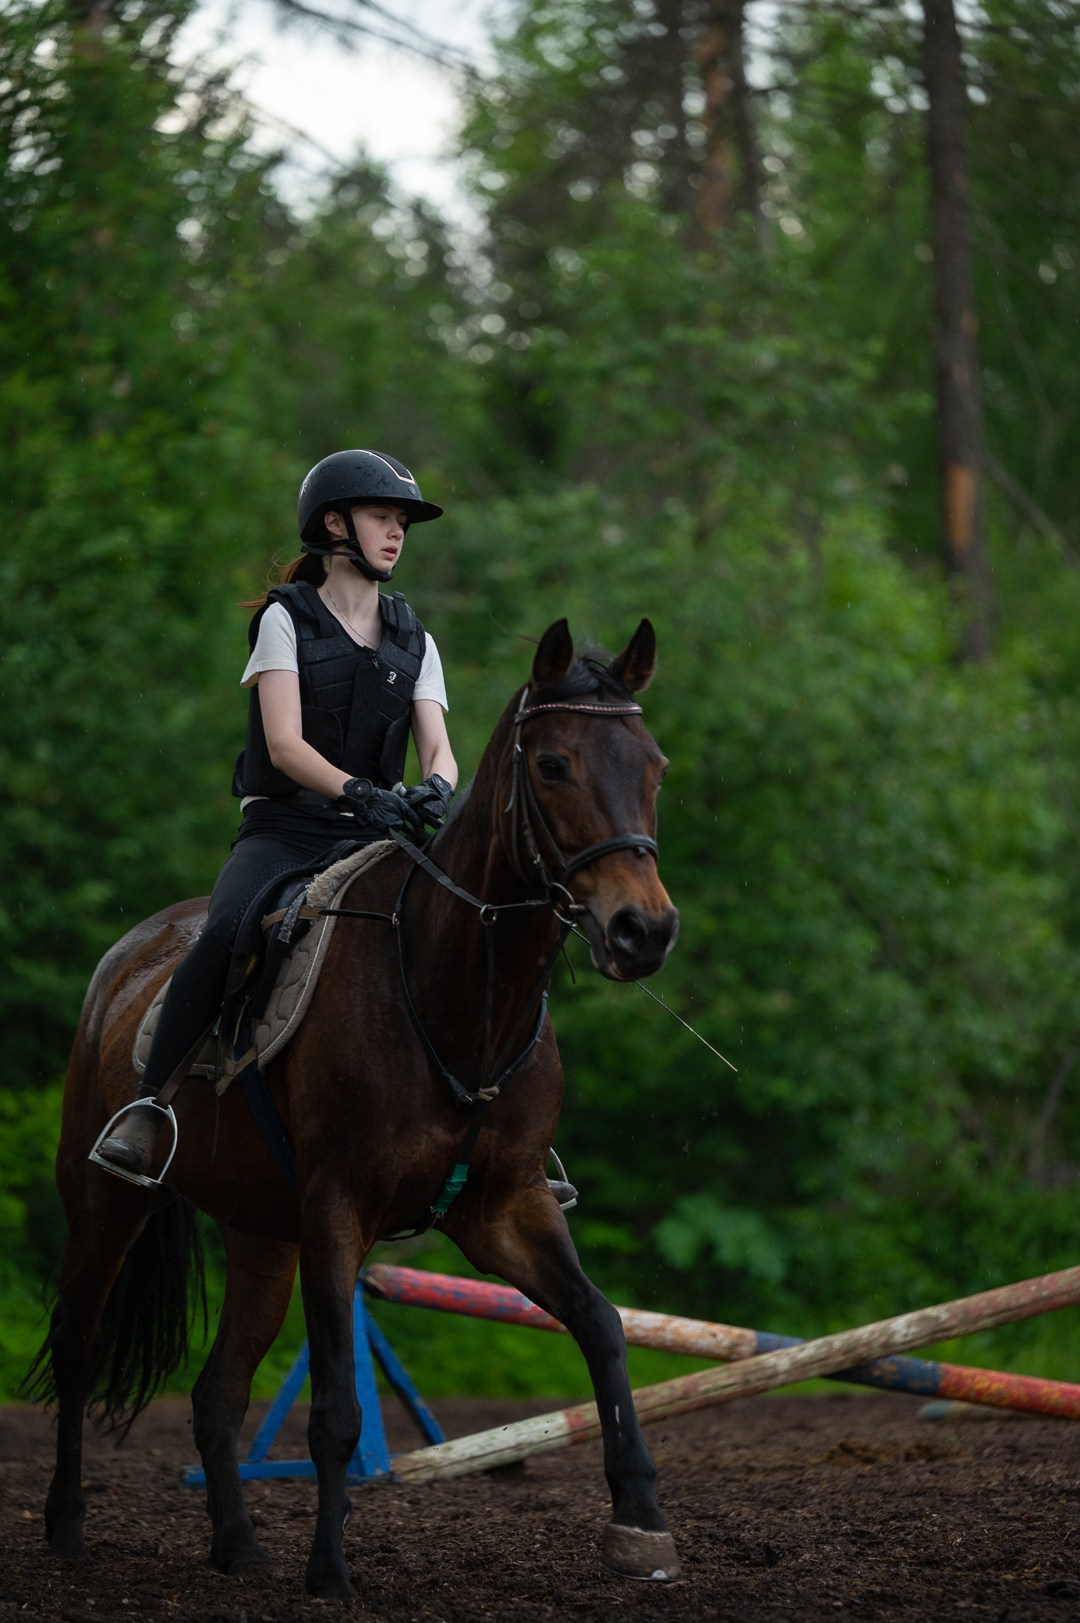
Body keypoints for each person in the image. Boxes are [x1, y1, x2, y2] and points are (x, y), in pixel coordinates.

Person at [94, 449, 457, 1181]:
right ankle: (149, 1105)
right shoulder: (284, 620)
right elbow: (286, 745)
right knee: (227, 926)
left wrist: (438, 790)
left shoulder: (416, 636)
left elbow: (440, 746)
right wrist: (358, 789)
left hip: (370, 839)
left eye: (403, 522)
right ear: (335, 522)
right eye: (384, 516)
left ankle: (498, 1127)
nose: (397, 532)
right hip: (285, 831)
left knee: (462, 925)